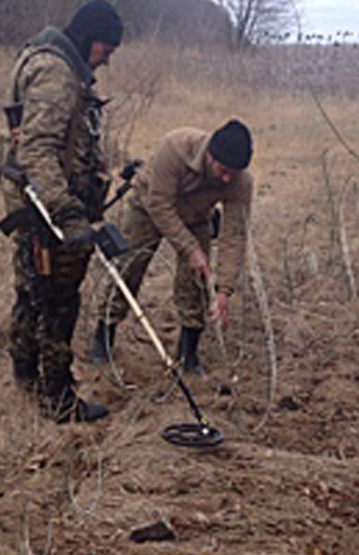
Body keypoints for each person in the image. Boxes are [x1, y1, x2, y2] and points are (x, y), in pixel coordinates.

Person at [0, 0, 123, 422]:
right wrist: (68, 212)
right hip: (45, 206)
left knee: (32, 290)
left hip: (33, 201)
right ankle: (57, 397)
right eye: (104, 51)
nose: (103, 62)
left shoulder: (46, 61)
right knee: (57, 298)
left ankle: (26, 381)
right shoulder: (57, 74)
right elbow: (38, 150)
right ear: (88, 38)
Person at [88, 120, 253, 374]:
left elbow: (235, 235)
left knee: (196, 281)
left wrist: (224, 291)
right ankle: (103, 337)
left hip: (196, 217)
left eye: (234, 172)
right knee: (129, 267)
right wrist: (190, 249)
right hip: (149, 205)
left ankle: (188, 354)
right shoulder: (175, 147)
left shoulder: (240, 183)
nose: (227, 178)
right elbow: (160, 205)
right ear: (209, 156)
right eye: (223, 170)